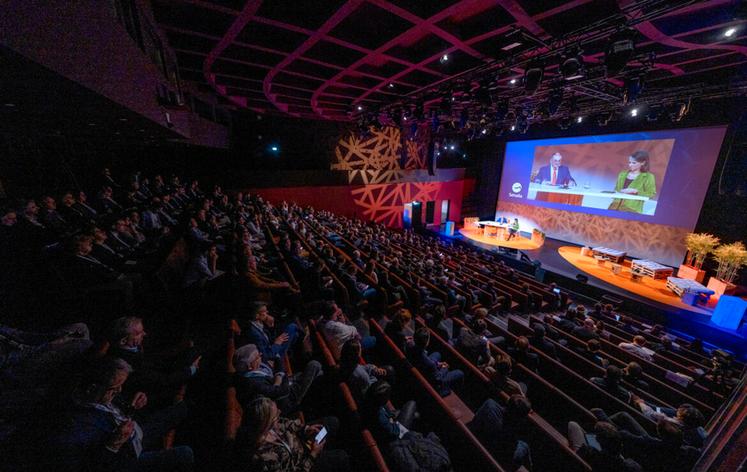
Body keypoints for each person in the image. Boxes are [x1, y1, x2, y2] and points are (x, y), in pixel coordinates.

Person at [46, 357, 193, 472]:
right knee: (185, 453)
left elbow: (117, 412)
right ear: (92, 388)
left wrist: (133, 406)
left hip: (134, 434)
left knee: (182, 409)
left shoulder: (102, 394)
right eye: (115, 388)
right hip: (123, 458)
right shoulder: (74, 426)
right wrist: (113, 445)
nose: (120, 391)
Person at [235, 396, 349, 472]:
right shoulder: (262, 458)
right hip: (303, 463)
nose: (279, 413)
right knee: (342, 456)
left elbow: (285, 423)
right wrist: (313, 455)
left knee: (333, 421)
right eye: (275, 416)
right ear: (265, 425)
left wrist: (305, 429)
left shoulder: (269, 425)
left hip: (299, 443)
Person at [233, 344, 322, 414]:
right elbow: (281, 391)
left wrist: (278, 377)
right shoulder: (253, 383)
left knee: (316, 373)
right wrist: (280, 375)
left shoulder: (258, 366)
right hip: (287, 399)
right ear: (249, 366)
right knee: (314, 365)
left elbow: (277, 361)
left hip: (286, 383)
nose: (261, 355)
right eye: (257, 356)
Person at [467, 395, 533, 470]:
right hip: (492, 458)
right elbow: (508, 452)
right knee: (524, 446)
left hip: (475, 442)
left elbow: (475, 423)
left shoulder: (489, 404)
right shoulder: (512, 431)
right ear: (521, 418)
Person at [567, 420, 643, 472]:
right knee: (589, 436)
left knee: (574, 425)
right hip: (611, 458)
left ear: (599, 440)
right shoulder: (630, 465)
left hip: (588, 459)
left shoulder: (592, 454)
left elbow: (583, 451)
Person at [407, 328, 464, 397]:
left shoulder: (409, 346)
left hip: (421, 365)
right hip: (432, 383)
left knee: (437, 354)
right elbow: (438, 379)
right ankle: (456, 392)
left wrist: (437, 364)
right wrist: (444, 368)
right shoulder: (430, 364)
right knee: (460, 373)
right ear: (427, 342)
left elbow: (428, 361)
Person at [363, 380, 418, 444]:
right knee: (412, 404)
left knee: (414, 414)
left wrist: (391, 416)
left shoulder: (369, 401)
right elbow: (395, 432)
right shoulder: (380, 417)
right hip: (394, 434)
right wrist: (391, 421)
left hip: (388, 419)